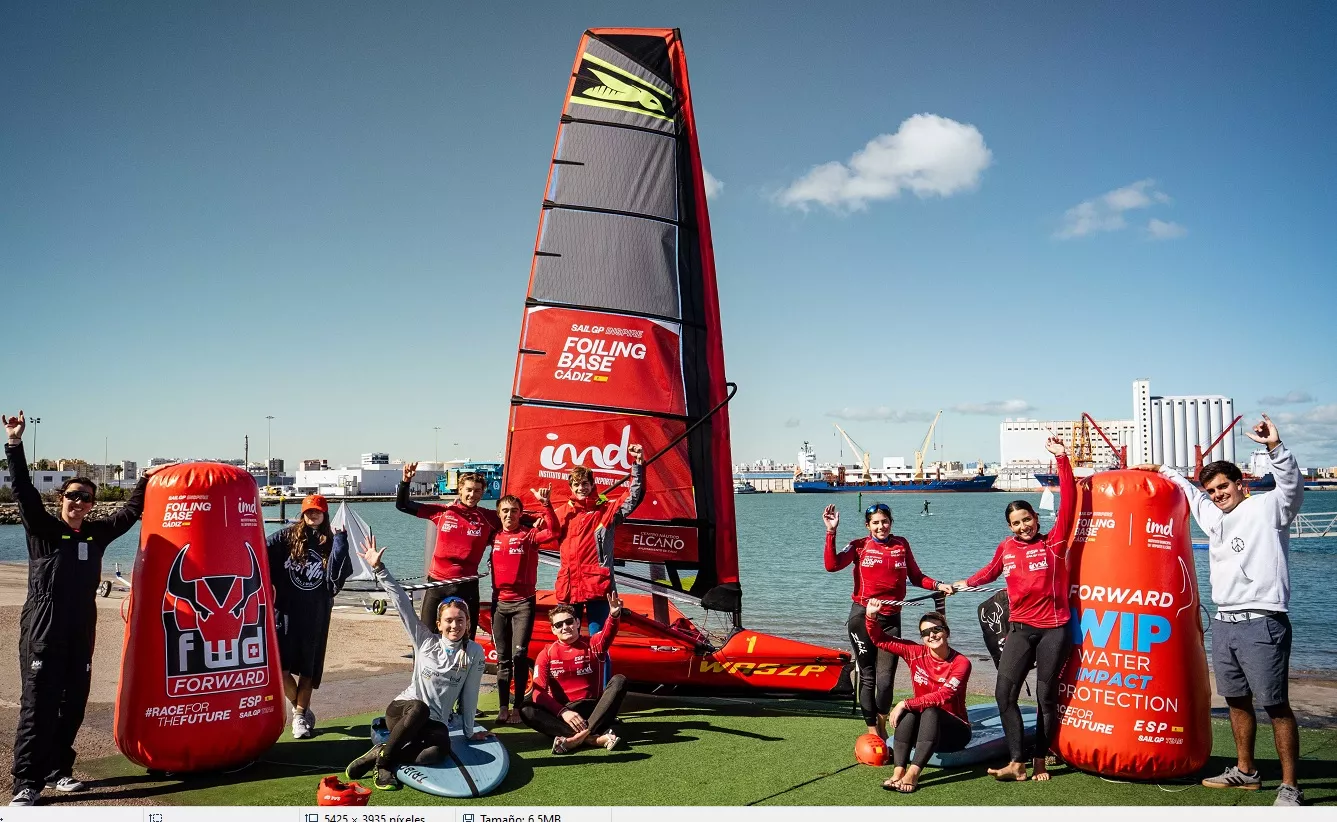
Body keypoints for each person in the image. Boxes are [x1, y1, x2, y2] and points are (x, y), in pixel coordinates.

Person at [1132, 414, 1305, 806]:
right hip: (1225, 622)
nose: (1217, 494)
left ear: (1240, 484)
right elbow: (1190, 494)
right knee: (1235, 700)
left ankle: (1291, 786)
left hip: (1263, 620)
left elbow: (1291, 486)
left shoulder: (1269, 509)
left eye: (1223, 486)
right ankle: (1246, 772)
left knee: (1276, 704)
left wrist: (1274, 447)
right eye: (1212, 489)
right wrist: (1162, 469)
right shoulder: (1214, 515)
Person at [3, 411, 168, 807]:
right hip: (43, 629)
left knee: (71, 705)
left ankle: (59, 771)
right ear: (61, 500)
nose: (79, 502)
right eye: (73, 495)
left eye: (86, 497)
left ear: (92, 504)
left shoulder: (95, 534)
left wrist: (145, 481)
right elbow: (24, 491)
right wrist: (14, 442)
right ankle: (26, 782)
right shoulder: (43, 530)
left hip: (81, 631)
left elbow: (129, 513)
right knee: (37, 708)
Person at [952, 436, 1074, 783]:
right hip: (1020, 629)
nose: (1023, 526)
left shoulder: (1054, 542)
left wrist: (1062, 459)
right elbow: (988, 573)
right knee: (1004, 694)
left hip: (1054, 629)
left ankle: (1039, 759)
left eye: (1027, 519)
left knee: (1046, 698)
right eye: (1016, 523)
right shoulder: (1006, 547)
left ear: (1036, 517)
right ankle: (1017, 762)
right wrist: (959, 585)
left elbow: (1070, 501)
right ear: (1009, 527)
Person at [344, 536, 489, 791]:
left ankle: (380, 751)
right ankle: (385, 765)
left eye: (460, 620)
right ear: (438, 623)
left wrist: (468, 732)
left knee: (437, 751)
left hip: (434, 723)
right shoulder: (425, 640)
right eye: (449, 620)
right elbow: (402, 604)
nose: (454, 625)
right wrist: (380, 569)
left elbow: (470, 693)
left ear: (468, 623)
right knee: (420, 708)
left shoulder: (474, 652)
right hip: (403, 712)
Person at [823, 502, 954, 739]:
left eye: (885, 521)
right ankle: (872, 730)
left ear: (891, 523)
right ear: (868, 526)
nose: (881, 526)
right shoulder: (859, 546)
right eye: (876, 523)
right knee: (868, 675)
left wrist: (938, 585)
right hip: (862, 617)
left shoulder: (901, 544)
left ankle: (881, 722)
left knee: (885, 679)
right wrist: (831, 532)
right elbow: (831, 566)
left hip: (891, 619)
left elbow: (916, 576)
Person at [264, 494, 352, 739]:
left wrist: (341, 540)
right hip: (286, 613)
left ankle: (300, 716)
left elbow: (336, 578)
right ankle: (299, 706)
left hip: (315, 615)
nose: (313, 515)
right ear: (302, 513)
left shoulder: (331, 540)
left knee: (307, 670)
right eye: (308, 511)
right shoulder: (286, 536)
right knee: (280, 670)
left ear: (325, 514)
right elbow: (259, 551)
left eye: (318, 511)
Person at [865, 601, 972, 793]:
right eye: (925, 633)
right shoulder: (914, 653)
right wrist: (871, 617)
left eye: (936, 629)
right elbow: (880, 640)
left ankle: (913, 774)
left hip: (956, 733)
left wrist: (904, 703)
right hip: (924, 732)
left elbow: (944, 695)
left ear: (947, 632)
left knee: (928, 709)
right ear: (922, 638)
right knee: (912, 712)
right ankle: (899, 771)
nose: (931, 635)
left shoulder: (961, 662)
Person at [549, 444, 645, 640]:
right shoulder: (561, 514)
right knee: (566, 641)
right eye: (576, 485)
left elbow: (633, 497)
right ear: (571, 488)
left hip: (598, 588)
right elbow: (536, 530)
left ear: (592, 485)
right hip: (568, 589)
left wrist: (638, 464)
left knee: (599, 641)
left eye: (585, 483)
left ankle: (601, 671)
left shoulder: (607, 511)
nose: (581, 488)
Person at [396, 463, 500, 639]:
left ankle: (465, 666)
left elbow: (517, 519)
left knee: (467, 637)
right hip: (438, 582)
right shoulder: (443, 511)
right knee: (426, 635)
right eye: (468, 490)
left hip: (467, 584)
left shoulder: (488, 517)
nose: (472, 495)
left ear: (483, 493)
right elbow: (403, 505)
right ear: (460, 490)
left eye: (477, 491)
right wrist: (406, 481)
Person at [520, 594, 628, 754]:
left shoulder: (593, 644)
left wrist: (613, 614)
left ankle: (575, 738)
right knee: (525, 709)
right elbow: (537, 693)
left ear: (577, 622)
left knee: (620, 680)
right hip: (565, 714)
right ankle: (593, 739)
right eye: (559, 624)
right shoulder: (546, 653)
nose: (565, 627)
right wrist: (563, 712)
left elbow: (608, 633)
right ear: (553, 629)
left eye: (569, 621)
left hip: (595, 710)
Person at [489, 487, 558, 724]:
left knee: (519, 656)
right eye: (505, 511)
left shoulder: (530, 536)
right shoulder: (493, 535)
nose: (509, 515)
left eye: (515, 511)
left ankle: (518, 707)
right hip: (499, 604)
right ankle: (502, 707)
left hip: (523, 604)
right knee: (502, 658)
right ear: (499, 514)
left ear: (520, 514)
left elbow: (555, 531)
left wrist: (545, 506)